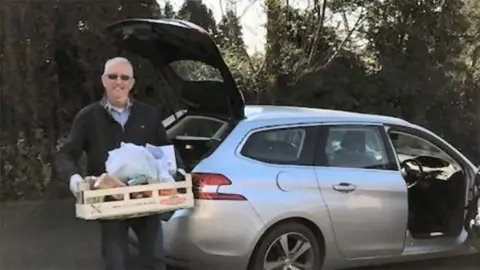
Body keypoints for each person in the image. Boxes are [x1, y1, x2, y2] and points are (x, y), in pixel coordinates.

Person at [55, 57, 172, 270]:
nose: (119, 82)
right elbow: (65, 154)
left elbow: (165, 152)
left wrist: (171, 174)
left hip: (145, 199)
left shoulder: (149, 114)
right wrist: (75, 179)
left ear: (132, 83)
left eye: (124, 77)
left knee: (155, 260)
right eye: (113, 76)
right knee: (116, 262)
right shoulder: (88, 117)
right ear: (103, 80)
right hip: (109, 203)